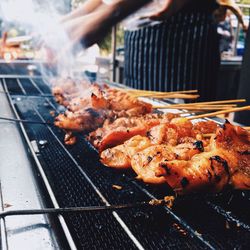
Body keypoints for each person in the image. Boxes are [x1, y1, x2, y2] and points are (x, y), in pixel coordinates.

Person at [61, 0, 244, 101]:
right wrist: (61, 25)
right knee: (139, 104)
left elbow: (111, 7)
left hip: (183, 31)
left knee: (182, 114)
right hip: (139, 34)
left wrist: (106, 18)